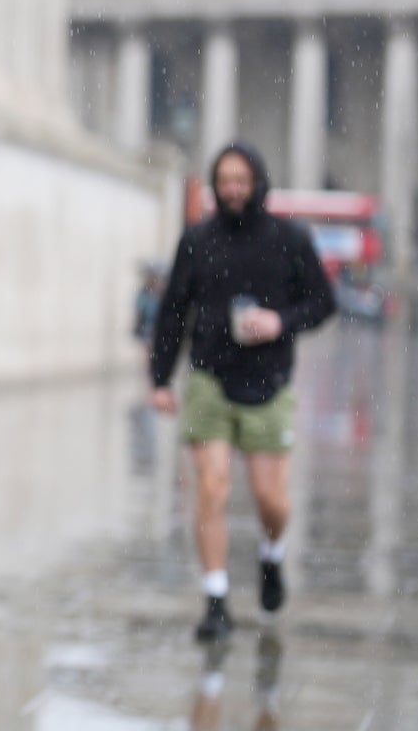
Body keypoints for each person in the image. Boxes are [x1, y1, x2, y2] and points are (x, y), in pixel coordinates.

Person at [149, 142, 334, 642]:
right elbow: (173, 311)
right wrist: (160, 378)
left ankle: (272, 556)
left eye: (240, 180)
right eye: (224, 180)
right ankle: (215, 598)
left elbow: (323, 301)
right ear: (215, 184)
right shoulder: (197, 239)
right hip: (209, 377)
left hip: (270, 381)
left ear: (257, 183)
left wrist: (281, 321)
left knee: (271, 499)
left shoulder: (290, 239)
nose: (232, 189)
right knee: (210, 489)